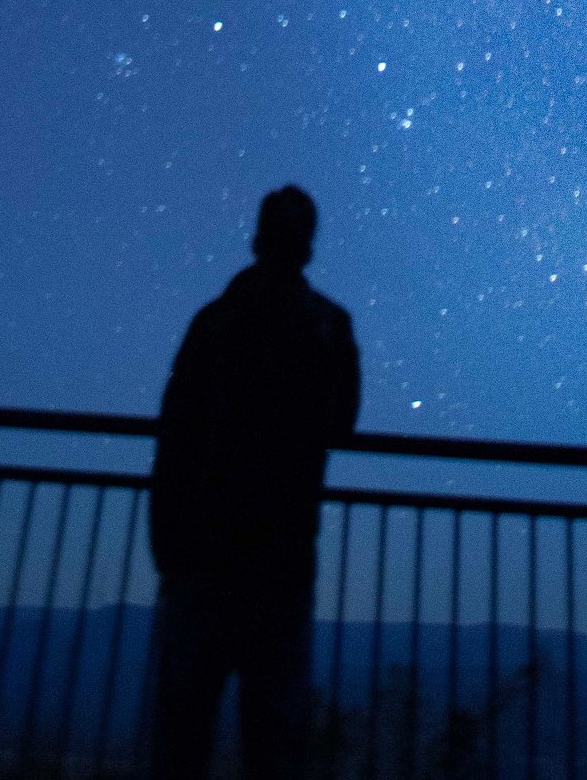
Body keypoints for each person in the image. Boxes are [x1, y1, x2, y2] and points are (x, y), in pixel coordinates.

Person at [146, 185, 360, 779]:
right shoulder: (328, 325)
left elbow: (175, 433)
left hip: (199, 553)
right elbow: (342, 421)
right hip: (280, 556)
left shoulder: (213, 322)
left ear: (259, 237)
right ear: (308, 246)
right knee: (273, 740)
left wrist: (166, 542)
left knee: (181, 734)